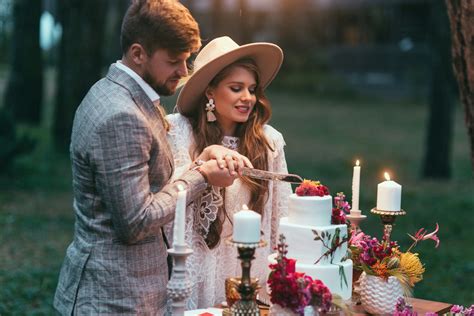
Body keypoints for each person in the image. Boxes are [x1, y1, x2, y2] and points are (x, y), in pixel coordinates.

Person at [53, 2, 251, 314]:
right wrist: (203, 176)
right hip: (113, 296)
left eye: (186, 60)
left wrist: (203, 160)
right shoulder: (121, 116)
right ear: (138, 54)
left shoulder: (114, 91)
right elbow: (135, 222)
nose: (184, 72)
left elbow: (150, 183)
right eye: (174, 61)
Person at [166, 36, 292, 309]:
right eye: (236, 88)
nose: (248, 98)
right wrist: (202, 166)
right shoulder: (178, 133)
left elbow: (281, 218)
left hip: (249, 269)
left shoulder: (268, 142)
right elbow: (166, 198)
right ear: (210, 91)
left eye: (252, 89)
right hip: (196, 266)